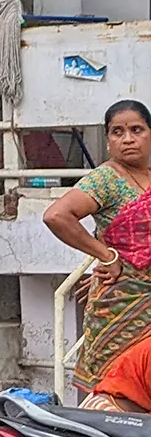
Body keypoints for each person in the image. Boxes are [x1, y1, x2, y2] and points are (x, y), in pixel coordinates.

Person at [44, 99, 151, 410]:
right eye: (117, 132)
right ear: (107, 142)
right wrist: (106, 257)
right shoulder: (106, 179)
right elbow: (57, 216)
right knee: (113, 395)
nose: (127, 138)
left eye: (136, 130)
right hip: (120, 307)